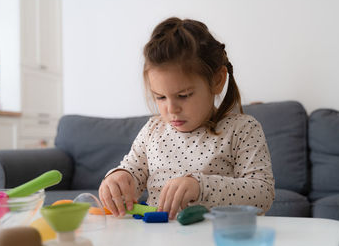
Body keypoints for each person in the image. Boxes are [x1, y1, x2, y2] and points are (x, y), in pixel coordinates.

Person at [99, 17, 275, 220]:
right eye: (160, 97)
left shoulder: (243, 129)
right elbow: (132, 173)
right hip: (159, 239)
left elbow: (262, 194)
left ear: (217, 80)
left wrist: (201, 187)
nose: (172, 109)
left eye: (183, 95)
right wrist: (119, 178)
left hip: (215, 238)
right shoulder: (152, 130)